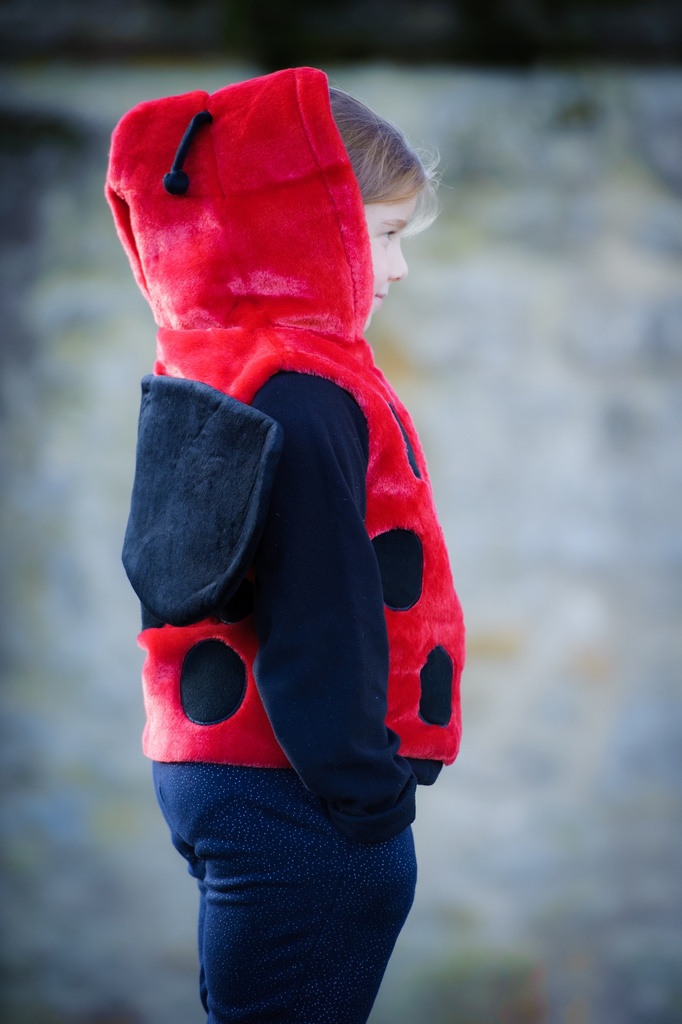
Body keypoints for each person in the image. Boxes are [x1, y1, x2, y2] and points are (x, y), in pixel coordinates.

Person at [106, 67, 465, 1024]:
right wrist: (371, 807)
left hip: (211, 770)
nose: (396, 271)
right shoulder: (307, 396)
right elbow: (319, 618)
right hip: (302, 801)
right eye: (383, 237)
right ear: (302, 228)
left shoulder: (212, 361)